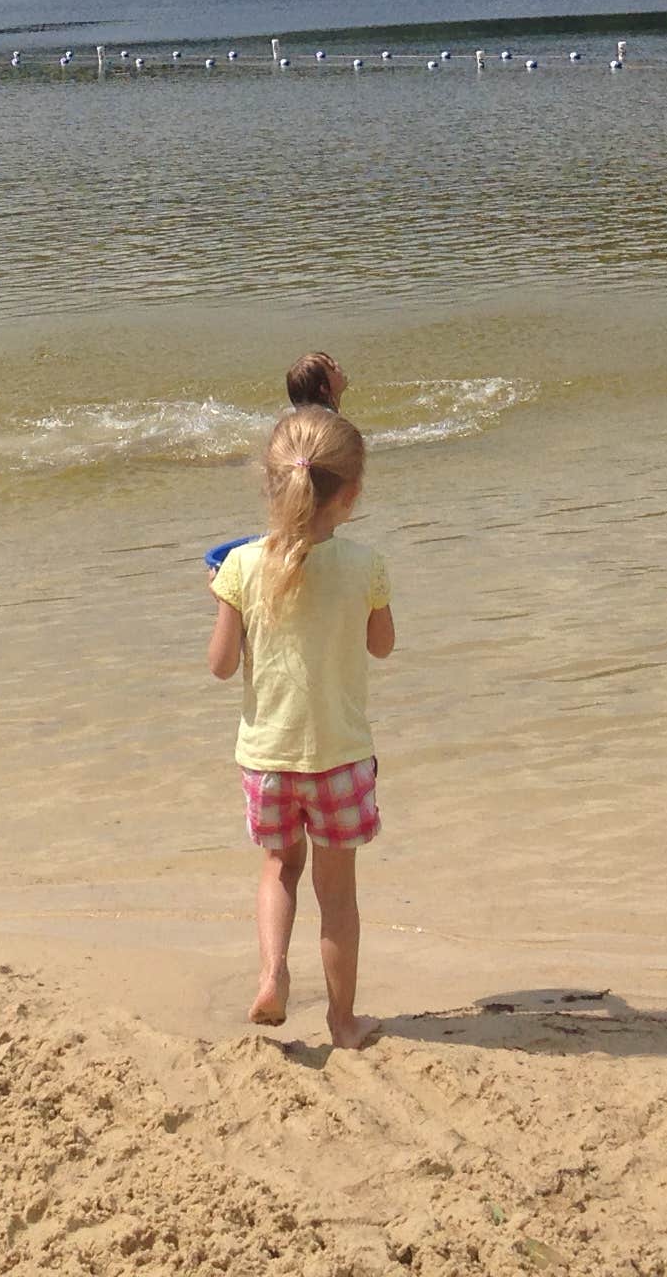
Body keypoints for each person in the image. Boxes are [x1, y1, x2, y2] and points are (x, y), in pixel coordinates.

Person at [207, 406, 395, 1048]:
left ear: (272, 483)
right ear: (350, 496)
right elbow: (383, 646)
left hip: (267, 758)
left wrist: (225, 595)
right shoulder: (365, 565)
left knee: (278, 869)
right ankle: (343, 1024)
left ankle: (272, 974)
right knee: (337, 895)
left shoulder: (240, 567)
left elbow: (221, 665)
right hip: (339, 757)